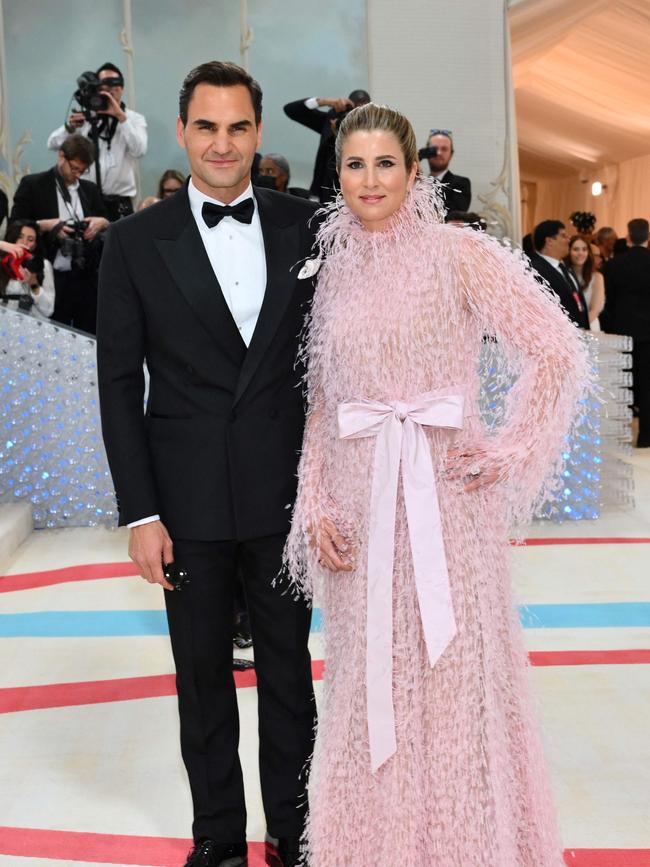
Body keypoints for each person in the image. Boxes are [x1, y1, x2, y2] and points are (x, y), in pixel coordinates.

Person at [284, 103, 589, 867]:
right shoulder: (331, 267)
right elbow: (325, 402)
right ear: (338, 174)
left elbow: (556, 352)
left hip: (447, 509)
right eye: (354, 164)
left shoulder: (459, 254)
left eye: (386, 163)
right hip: (361, 508)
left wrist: (510, 449)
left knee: (454, 686)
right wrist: (315, 499)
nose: (370, 180)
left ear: (415, 170)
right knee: (368, 692)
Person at [96, 61, 319, 867]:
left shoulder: (310, 227)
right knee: (201, 684)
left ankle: (296, 836)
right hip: (186, 507)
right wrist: (141, 513)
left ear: (259, 132)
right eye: (205, 127)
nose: (222, 144)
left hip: (290, 497)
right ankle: (219, 837)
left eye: (237, 127)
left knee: (291, 682)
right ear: (184, 130)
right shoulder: (132, 242)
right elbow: (119, 384)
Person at [10, 134, 108, 334]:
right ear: (61, 156)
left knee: (90, 335)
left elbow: (108, 221)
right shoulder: (33, 185)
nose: (77, 174)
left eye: (83, 171)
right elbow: (14, 227)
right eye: (74, 168)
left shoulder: (89, 190)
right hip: (50, 276)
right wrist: (44, 226)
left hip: (86, 276)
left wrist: (102, 223)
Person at [47, 62, 147, 221]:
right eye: (104, 86)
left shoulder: (133, 119)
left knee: (122, 244)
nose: (110, 90)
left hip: (120, 201)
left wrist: (121, 118)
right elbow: (52, 144)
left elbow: (139, 150)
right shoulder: (86, 118)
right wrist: (70, 128)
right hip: (88, 198)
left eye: (114, 85)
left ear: (121, 88)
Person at [602, 218, 650, 447]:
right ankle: (646, 436)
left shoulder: (614, 266)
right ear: (647, 236)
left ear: (628, 236)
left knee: (620, 385)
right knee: (647, 384)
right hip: (648, 333)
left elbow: (607, 301)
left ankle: (619, 435)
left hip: (621, 330)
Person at [283, 89, 371, 202]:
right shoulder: (331, 122)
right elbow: (291, 110)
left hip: (357, 198)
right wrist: (325, 102)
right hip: (325, 196)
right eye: (354, 111)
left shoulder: (376, 132)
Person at [528, 220, 590, 329]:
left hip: (578, 333)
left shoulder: (564, 267)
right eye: (563, 236)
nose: (568, 239)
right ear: (549, 241)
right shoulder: (534, 269)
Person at [0, 219, 55, 319]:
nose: (24, 242)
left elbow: (48, 310)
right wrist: (3, 246)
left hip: (32, 324)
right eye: (20, 237)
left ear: (35, 244)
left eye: (30, 240)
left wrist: (33, 283)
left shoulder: (43, 265)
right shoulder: (2, 261)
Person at [423, 128, 471, 212]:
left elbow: (454, 214)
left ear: (451, 154)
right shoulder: (417, 183)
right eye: (434, 149)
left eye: (444, 149)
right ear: (427, 152)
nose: (439, 153)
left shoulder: (461, 184)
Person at [566, 234, 604, 330]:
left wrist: (577, 327)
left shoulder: (597, 277)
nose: (580, 253)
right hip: (567, 328)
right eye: (576, 249)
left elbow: (594, 310)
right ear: (569, 251)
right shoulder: (564, 275)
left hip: (589, 326)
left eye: (584, 249)